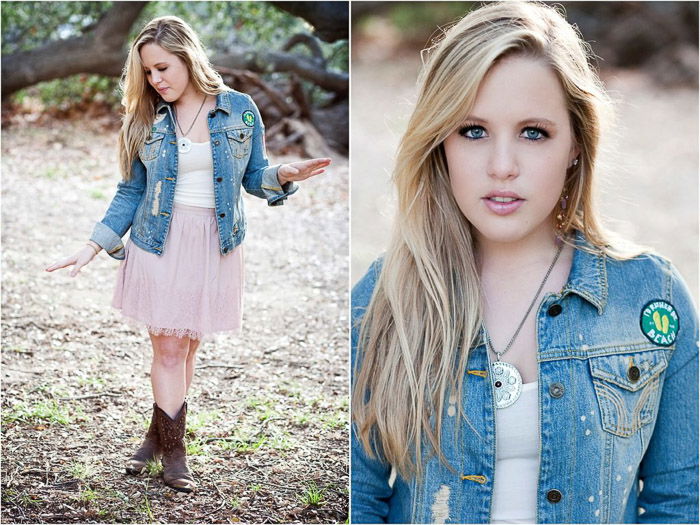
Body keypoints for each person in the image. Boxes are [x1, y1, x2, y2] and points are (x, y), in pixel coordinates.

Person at [350, 2, 697, 523]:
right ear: (439, 141)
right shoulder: (388, 295)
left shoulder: (651, 297)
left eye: (533, 132)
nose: (502, 166)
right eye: (472, 131)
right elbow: (356, 497)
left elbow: (680, 501)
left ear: (576, 143)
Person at [45, 15, 331, 493]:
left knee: (188, 343)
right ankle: (175, 452)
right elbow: (130, 192)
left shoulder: (239, 109)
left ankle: (155, 437)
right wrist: (93, 244)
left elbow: (253, 177)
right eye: (149, 73)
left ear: (187, 57)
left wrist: (283, 174)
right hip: (160, 239)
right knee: (169, 346)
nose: (156, 80)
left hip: (215, 242)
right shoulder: (145, 119)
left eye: (163, 68)